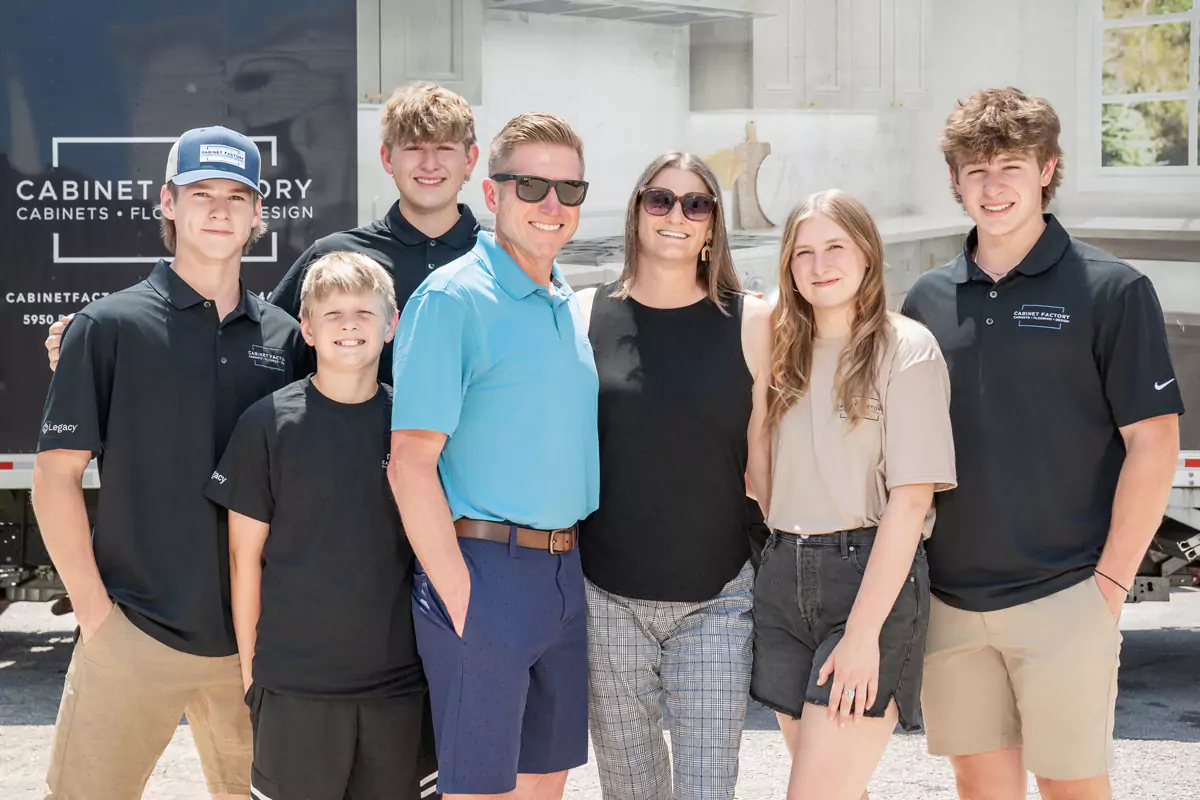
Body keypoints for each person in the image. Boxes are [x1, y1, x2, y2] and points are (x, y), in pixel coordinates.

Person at [901, 87, 1182, 800]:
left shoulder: (1112, 289)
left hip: (1065, 594)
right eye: (976, 171)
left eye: (1011, 168)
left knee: (1072, 787)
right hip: (952, 600)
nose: (993, 188)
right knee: (981, 788)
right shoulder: (927, 300)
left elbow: (1153, 446)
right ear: (955, 182)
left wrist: (1110, 586)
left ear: (1047, 170)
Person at [32, 127, 307, 800]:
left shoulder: (287, 339)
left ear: (257, 214)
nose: (219, 210)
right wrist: (97, 615)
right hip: (132, 632)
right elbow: (55, 476)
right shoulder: (109, 327)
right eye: (201, 194)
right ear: (168, 204)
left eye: (236, 196)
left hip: (251, 647)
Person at [388, 112, 596, 800]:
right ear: (491, 191)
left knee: (545, 785)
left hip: (564, 576)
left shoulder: (561, 298)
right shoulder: (453, 298)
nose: (551, 206)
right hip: (484, 571)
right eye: (531, 185)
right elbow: (410, 462)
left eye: (569, 190)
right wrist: (459, 595)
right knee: (479, 791)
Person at [44, 82, 480, 380]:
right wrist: (93, 341)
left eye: (444, 148)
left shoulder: (501, 259)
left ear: (471, 159)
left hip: (481, 493)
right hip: (362, 482)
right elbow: (263, 346)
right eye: (414, 149)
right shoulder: (335, 257)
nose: (429, 164)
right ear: (388, 160)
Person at [575, 152, 772, 800]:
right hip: (607, 598)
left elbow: (763, 465)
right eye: (659, 200)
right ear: (636, 212)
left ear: (713, 225)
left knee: (706, 790)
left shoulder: (751, 322)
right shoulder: (583, 315)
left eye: (696, 203)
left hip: (715, 597)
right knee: (629, 790)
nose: (676, 216)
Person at [751, 190, 956, 800]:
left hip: (869, 579)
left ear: (867, 253)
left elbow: (912, 501)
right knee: (836, 788)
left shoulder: (906, 349)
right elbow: (759, 480)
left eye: (835, 246)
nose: (820, 265)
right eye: (803, 252)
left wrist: (863, 633)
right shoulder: (779, 353)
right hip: (781, 576)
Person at [206, 251, 427, 800]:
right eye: (332, 314)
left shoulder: (413, 432)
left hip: (398, 689)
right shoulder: (268, 424)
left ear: (392, 324)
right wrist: (253, 676)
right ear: (306, 327)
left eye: (363, 312)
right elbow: (243, 560)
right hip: (294, 687)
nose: (349, 324)